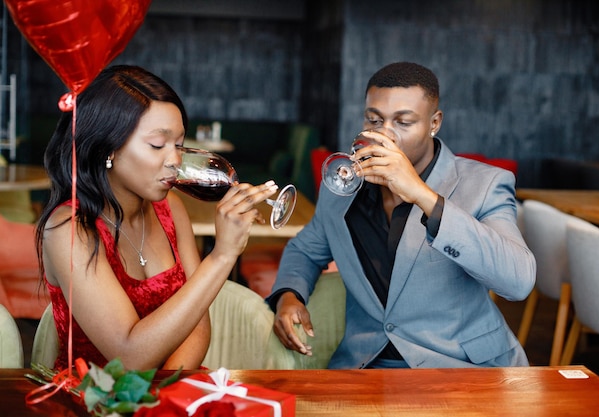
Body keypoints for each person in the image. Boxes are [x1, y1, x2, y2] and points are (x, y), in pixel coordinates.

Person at [267, 62, 536, 369]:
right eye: (374, 119)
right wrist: (289, 295)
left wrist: (422, 194)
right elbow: (305, 249)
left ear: (434, 123)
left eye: (404, 122)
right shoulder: (342, 186)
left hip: (463, 368)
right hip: (367, 364)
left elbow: (518, 281)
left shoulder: (485, 184)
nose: (385, 135)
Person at [35, 65, 279, 371]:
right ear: (107, 146)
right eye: (156, 145)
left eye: (178, 144)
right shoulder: (69, 229)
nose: (175, 161)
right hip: (96, 401)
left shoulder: (171, 210)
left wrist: (163, 397)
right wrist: (221, 256)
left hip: (173, 392)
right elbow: (129, 358)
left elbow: (198, 328)